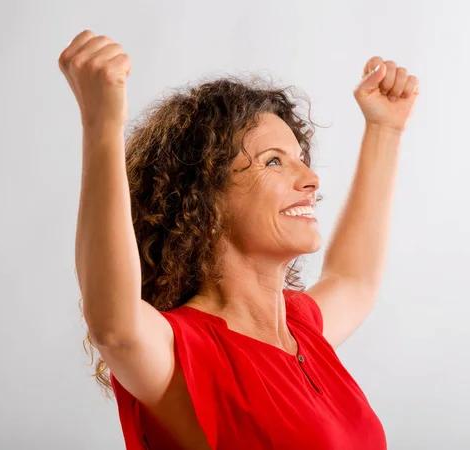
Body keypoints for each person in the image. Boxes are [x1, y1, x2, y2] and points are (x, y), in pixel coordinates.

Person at [59, 29, 419, 450]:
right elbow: (114, 328)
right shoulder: (187, 351)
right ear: (205, 203)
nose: (311, 180)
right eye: (273, 162)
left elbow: (355, 278)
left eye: (300, 161)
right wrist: (102, 124)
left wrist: (385, 129)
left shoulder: (304, 330)